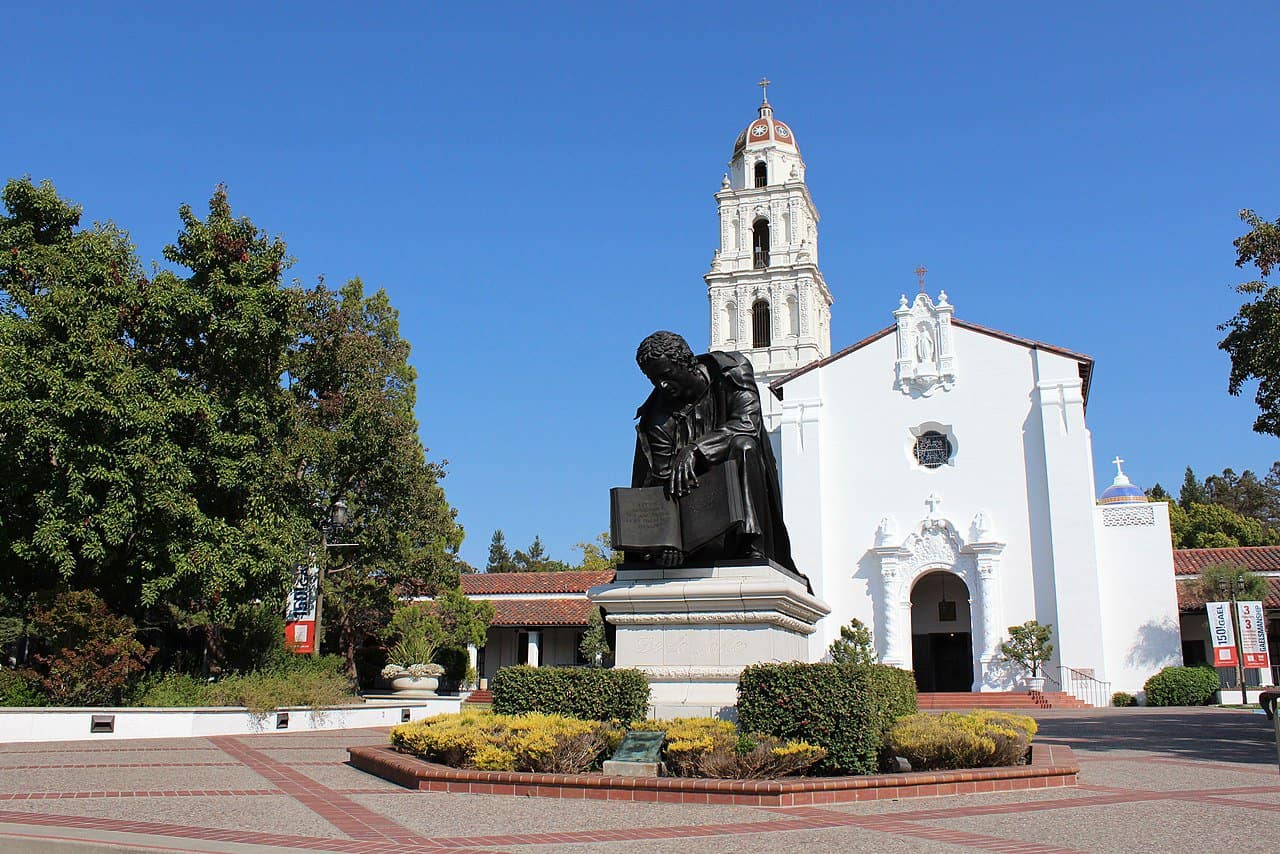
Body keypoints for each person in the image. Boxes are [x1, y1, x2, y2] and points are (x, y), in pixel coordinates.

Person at [632, 331, 799, 576]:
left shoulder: (731, 371)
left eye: (666, 375)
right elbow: (660, 479)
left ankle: (750, 545)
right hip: (691, 511)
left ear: (686, 363)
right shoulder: (657, 417)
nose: (662, 385)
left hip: (736, 490)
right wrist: (668, 540)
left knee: (744, 446)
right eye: (653, 379)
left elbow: (747, 423)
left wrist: (696, 450)